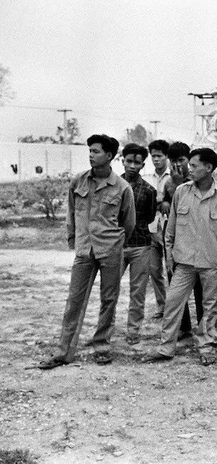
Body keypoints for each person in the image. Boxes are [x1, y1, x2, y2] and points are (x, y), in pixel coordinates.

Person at [39, 134, 135, 369]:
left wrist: (115, 242)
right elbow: (71, 214)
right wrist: (75, 239)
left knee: (109, 299)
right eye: (90, 151)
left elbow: (128, 222)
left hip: (110, 250)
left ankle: (102, 346)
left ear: (109, 156)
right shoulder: (78, 182)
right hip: (84, 250)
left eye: (96, 151)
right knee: (75, 300)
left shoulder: (122, 187)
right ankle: (64, 351)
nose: (91, 155)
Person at [144, 148, 217, 365]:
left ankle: (205, 346)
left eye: (194, 165)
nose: (189, 169)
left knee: (211, 307)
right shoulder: (181, 192)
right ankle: (166, 347)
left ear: (208, 168)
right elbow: (170, 230)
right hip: (183, 263)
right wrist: (169, 258)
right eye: (189, 165)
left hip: (212, 264)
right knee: (173, 303)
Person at [161, 142, 203, 337]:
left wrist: (179, 184)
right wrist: (164, 202)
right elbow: (167, 206)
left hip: (197, 237)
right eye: (173, 160)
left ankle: (204, 327)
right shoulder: (169, 183)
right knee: (176, 284)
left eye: (181, 160)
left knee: (201, 285)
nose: (177, 164)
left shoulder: (198, 180)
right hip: (176, 238)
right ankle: (184, 326)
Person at [119, 144, 157, 345]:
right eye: (129, 161)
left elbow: (150, 217)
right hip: (116, 245)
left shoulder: (149, 190)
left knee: (138, 291)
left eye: (137, 162)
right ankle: (104, 329)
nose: (132, 166)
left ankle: (133, 330)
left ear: (143, 165)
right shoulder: (113, 186)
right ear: (122, 161)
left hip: (141, 245)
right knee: (109, 290)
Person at [143, 139, 171, 320]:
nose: (156, 159)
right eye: (153, 156)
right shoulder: (147, 178)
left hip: (170, 229)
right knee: (154, 270)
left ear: (166, 156)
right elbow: (146, 202)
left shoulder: (173, 177)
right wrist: (161, 201)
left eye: (159, 156)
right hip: (152, 228)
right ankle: (162, 305)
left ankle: (174, 306)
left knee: (171, 269)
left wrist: (162, 201)